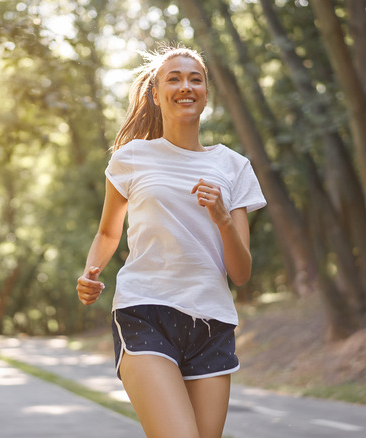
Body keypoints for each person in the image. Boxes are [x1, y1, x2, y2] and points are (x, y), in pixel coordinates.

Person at [75, 44, 266, 438]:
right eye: (174, 79)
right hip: (145, 310)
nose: (186, 86)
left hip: (212, 323)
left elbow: (242, 273)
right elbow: (109, 232)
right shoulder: (131, 158)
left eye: (196, 79)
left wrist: (222, 219)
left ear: (206, 94)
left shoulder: (234, 167)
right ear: (156, 93)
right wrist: (91, 271)